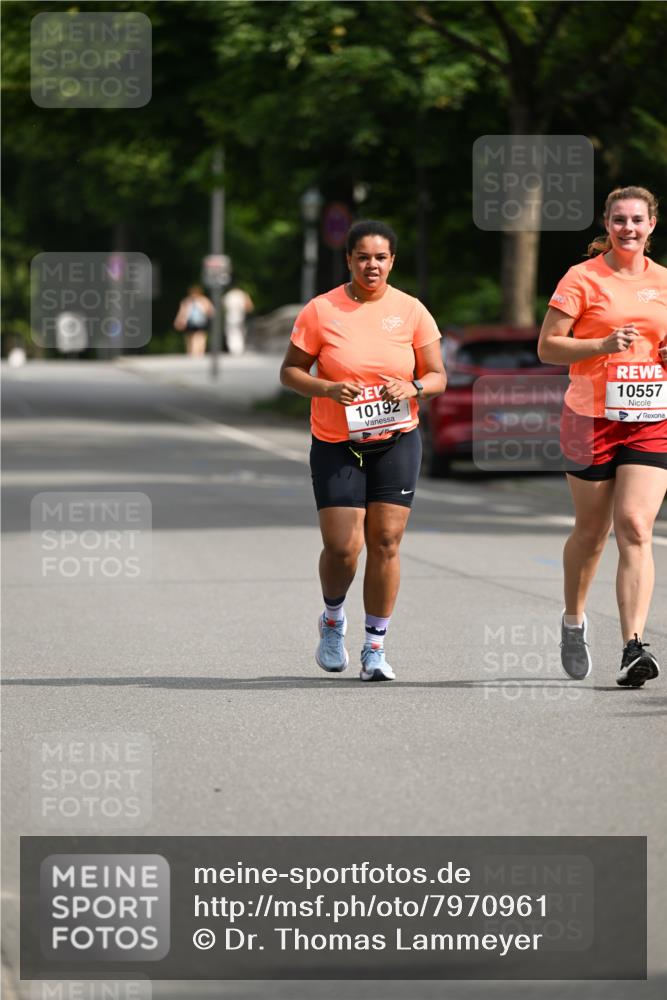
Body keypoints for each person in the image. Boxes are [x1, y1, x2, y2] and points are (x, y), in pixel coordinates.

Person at [280, 219, 446, 681]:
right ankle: (333, 620)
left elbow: (437, 376)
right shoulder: (320, 310)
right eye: (362, 257)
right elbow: (290, 372)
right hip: (338, 442)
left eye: (380, 257)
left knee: (387, 543)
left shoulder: (411, 310)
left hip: (397, 438)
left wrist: (411, 386)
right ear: (349, 259)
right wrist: (328, 389)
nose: (371, 265)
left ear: (392, 261)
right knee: (342, 547)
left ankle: (375, 647)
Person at [538, 185, 667, 687]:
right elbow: (549, 347)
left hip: (651, 416)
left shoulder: (664, 282)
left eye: (637, 220)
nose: (628, 228)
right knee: (592, 532)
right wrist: (603, 343)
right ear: (607, 224)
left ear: (652, 225)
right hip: (590, 416)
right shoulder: (583, 278)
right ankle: (574, 620)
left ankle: (633, 645)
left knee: (635, 525)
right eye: (619, 220)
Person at [174, 285, 215, 356]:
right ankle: (197, 352)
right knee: (196, 337)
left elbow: (181, 312)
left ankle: (195, 352)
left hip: (195, 322)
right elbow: (211, 311)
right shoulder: (202, 300)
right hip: (198, 322)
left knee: (196, 337)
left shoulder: (188, 301)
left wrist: (178, 320)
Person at [224, 286, 254, 356]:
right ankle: (239, 349)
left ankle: (233, 349)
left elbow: (225, 307)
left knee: (231, 332)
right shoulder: (243, 294)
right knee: (240, 332)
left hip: (230, 316)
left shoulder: (228, 294)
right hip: (240, 316)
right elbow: (249, 306)